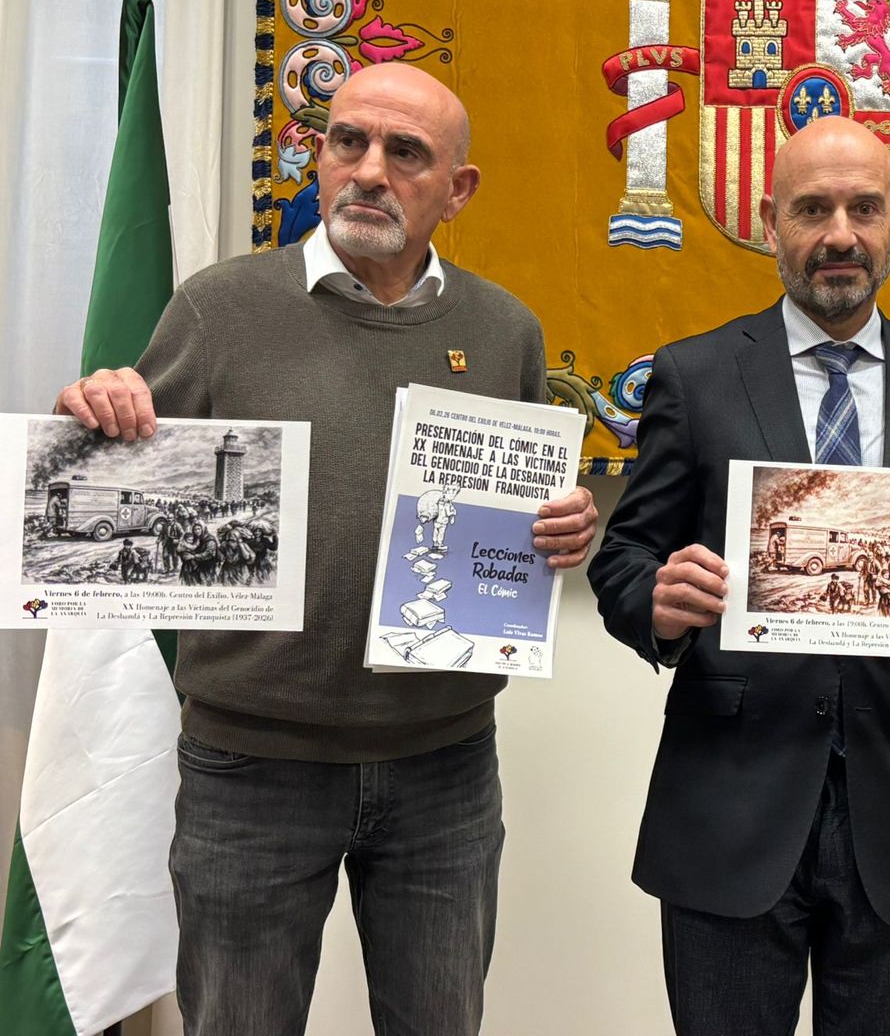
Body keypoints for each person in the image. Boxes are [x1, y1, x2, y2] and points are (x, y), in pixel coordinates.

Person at [54, 62, 597, 1036]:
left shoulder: (504, 329)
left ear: (457, 190)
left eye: (405, 153)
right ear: (318, 153)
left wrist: (561, 529)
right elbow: (116, 479)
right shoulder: (221, 308)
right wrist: (97, 413)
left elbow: (516, 521)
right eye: (347, 141)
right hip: (251, 768)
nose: (369, 171)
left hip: (445, 768)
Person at [588, 116, 890, 1036]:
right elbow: (623, 557)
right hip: (729, 804)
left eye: (864, 208)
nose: (840, 233)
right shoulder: (695, 375)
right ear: (770, 223)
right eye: (812, 209)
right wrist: (661, 605)